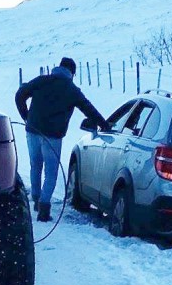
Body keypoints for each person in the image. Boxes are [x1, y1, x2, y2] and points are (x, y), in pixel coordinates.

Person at [15, 57, 108, 222]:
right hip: (53, 137)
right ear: (72, 73)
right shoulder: (72, 90)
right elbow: (89, 109)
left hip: (33, 131)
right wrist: (105, 125)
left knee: (35, 166)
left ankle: (35, 199)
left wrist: (26, 116)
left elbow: (19, 95)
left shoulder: (41, 80)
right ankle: (44, 208)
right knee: (51, 172)